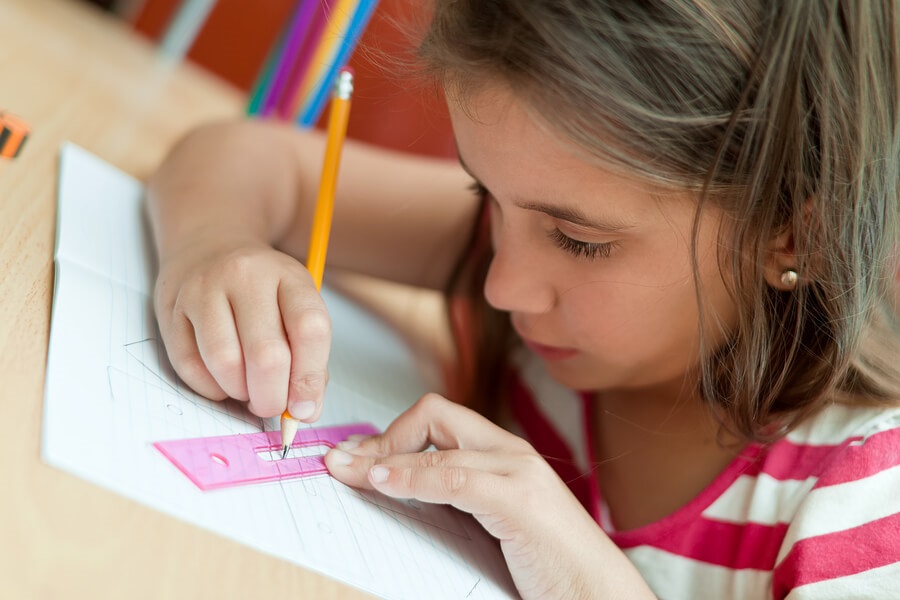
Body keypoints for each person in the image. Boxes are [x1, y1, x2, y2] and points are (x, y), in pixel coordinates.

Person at [146, 1, 900, 597]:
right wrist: (213, 247)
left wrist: (579, 570)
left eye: (579, 241)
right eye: (485, 194)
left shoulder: (864, 503)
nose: (501, 284)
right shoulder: (522, 239)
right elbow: (240, 158)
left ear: (794, 238)